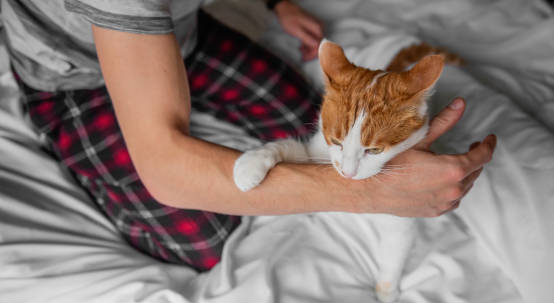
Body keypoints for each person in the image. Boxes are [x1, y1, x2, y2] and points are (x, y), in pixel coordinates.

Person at [1, 0, 496, 271]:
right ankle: (57, 121)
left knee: (317, 127)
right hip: (77, 78)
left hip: (182, 35)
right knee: (209, 242)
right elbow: (165, 168)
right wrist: (371, 191)